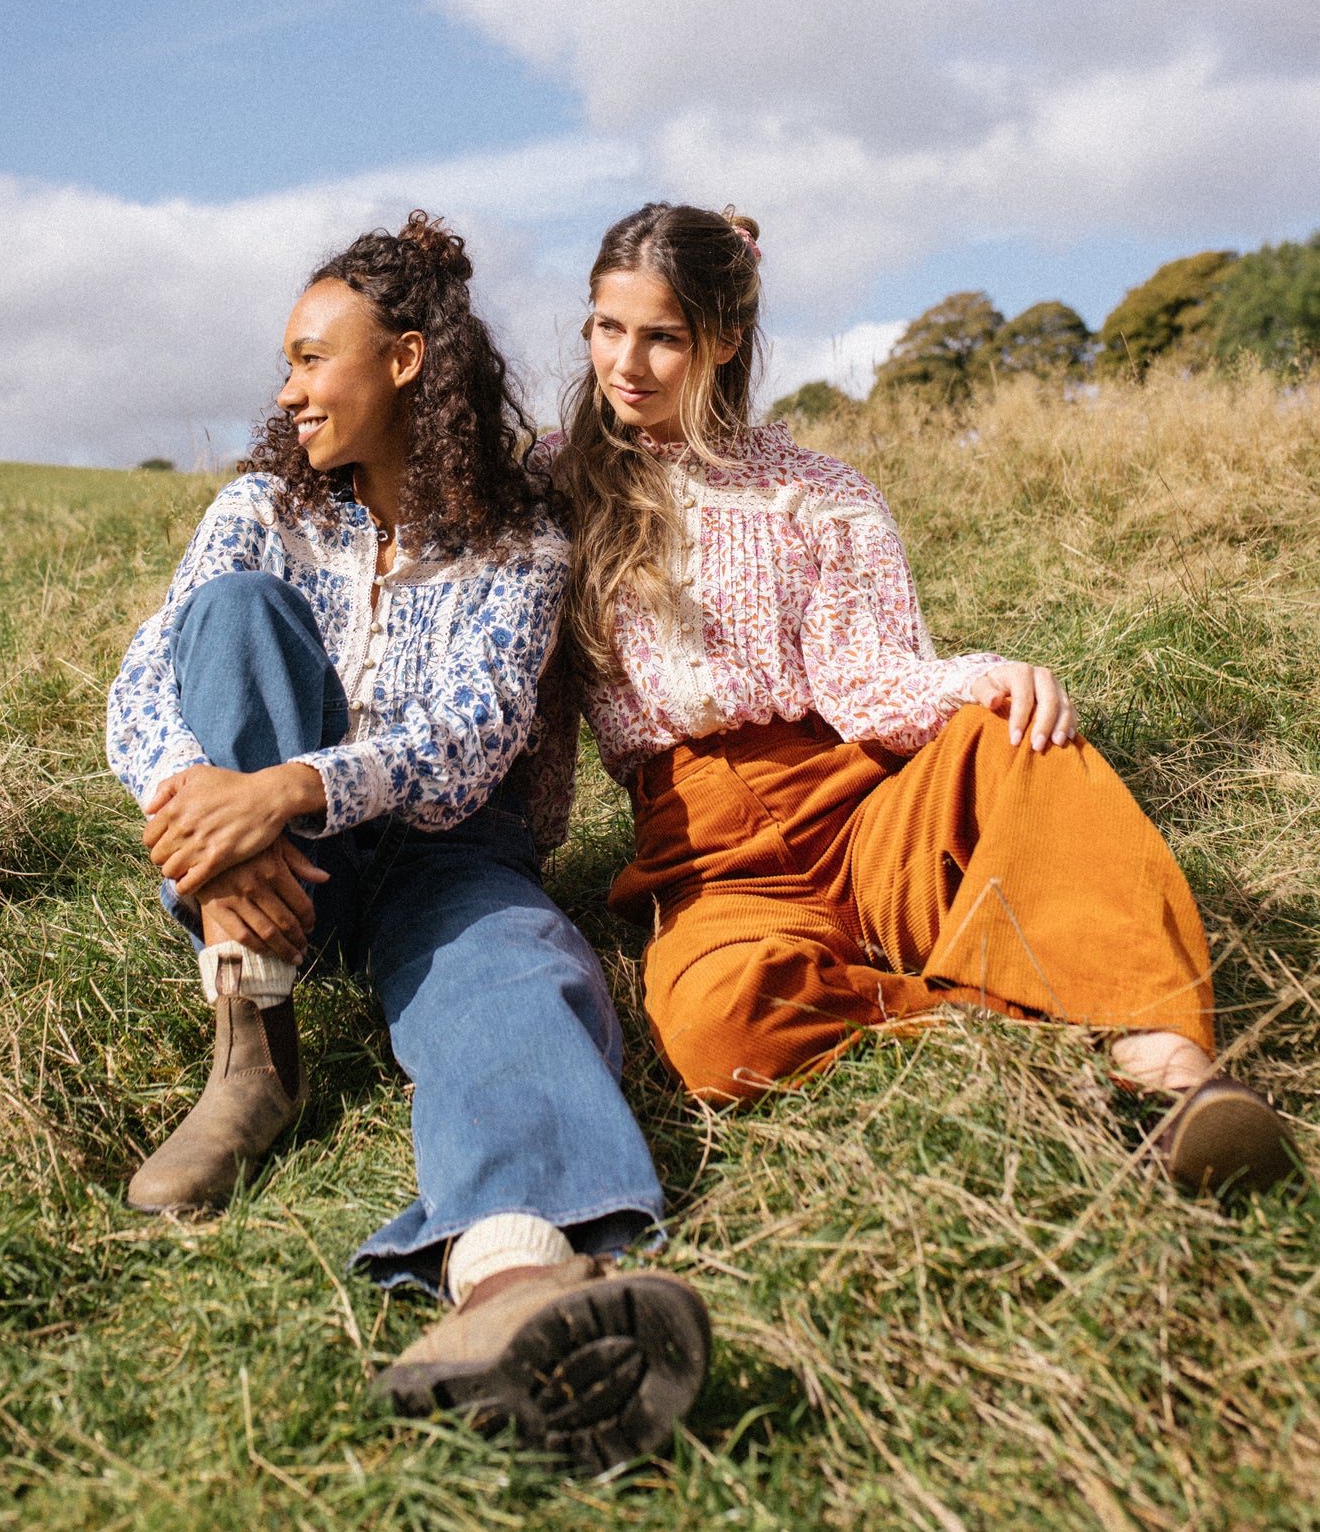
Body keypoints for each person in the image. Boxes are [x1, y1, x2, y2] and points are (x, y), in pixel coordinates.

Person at [106, 213, 709, 1471]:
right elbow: (143, 686)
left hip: (445, 843)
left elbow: (475, 732)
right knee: (232, 616)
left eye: (312, 357)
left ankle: (509, 1283)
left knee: (511, 971)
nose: (286, 388)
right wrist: (218, 812)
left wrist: (286, 793)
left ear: (406, 361)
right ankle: (253, 1048)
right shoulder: (261, 507)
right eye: (286, 360)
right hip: (278, 873)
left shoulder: (520, 527)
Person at [540, 200, 1295, 1196]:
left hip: (860, 804)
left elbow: (867, 679)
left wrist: (981, 679)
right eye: (607, 328)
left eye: (661, 338)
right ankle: (1003, 1001)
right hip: (710, 857)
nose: (625, 364)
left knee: (1025, 739)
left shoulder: (818, 490)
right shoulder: (552, 491)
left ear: (724, 340)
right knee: (717, 1030)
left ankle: (1171, 1070)